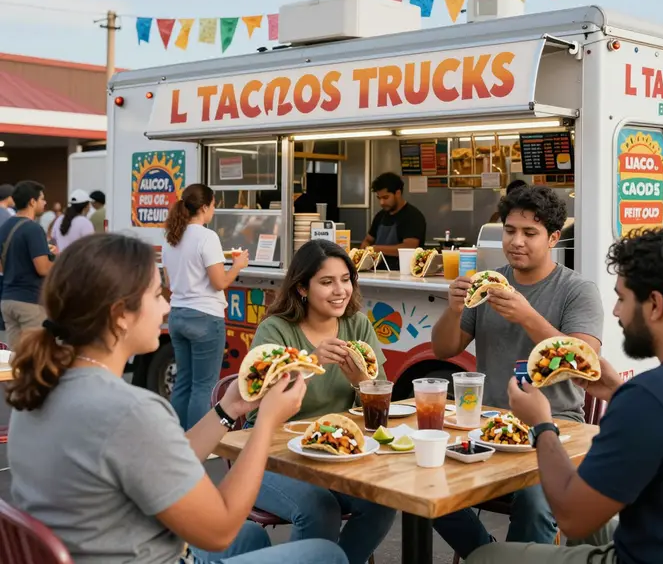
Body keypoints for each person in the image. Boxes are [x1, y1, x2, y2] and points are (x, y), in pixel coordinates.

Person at [6, 233, 346, 564]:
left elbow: (160, 459)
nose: (168, 306)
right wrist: (267, 422)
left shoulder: (39, 386)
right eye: (157, 295)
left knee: (252, 537)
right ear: (120, 314)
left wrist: (228, 409)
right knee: (326, 554)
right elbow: (219, 530)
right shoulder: (131, 412)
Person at [468, 225, 663, 564]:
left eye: (622, 298)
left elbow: (572, 514)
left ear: (655, 305)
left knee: (487, 556)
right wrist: (619, 391)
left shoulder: (650, 398)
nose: (617, 312)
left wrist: (542, 424)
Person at [431, 185, 603, 559]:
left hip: (554, 424)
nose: (516, 242)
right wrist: (455, 309)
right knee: (426, 482)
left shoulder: (577, 290)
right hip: (486, 422)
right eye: (510, 231)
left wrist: (528, 317)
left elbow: (586, 360)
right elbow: (444, 348)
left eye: (530, 233)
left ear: (553, 238)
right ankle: (488, 554)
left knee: (535, 501)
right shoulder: (487, 282)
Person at [246, 239, 396, 564]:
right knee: (320, 509)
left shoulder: (358, 325)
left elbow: (381, 405)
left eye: (345, 279)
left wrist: (362, 383)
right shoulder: (276, 330)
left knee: (382, 501)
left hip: (334, 454)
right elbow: (260, 402)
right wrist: (310, 364)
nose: (339, 290)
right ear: (302, 288)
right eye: (326, 282)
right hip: (267, 455)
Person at [162, 183, 250, 430]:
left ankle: (179, 439)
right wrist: (238, 265)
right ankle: (199, 443)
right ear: (203, 207)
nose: (214, 210)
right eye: (213, 205)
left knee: (183, 382)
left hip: (177, 315)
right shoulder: (207, 237)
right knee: (204, 385)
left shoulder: (171, 237)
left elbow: (169, 283)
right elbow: (219, 282)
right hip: (204, 317)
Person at [0, 181, 55, 348]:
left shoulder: (5, 226)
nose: (45, 203)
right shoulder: (33, 229)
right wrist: (60, 262)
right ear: (32, 201)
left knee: (17, 358)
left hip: (8, 300)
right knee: (35, 357)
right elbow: (43, 268)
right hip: (30, 301)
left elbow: (1, 266)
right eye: (42, 199)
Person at [361, 172, 426, 270]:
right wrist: (365, 250)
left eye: (386, 197)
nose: (381, 202)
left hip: (403, 273)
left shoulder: (413, 216)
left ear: (398, 193)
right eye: (379, 198)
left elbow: (409, 247)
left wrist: (376, 249)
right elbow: (367, 240)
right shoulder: (380, 216)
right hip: (376, 272)